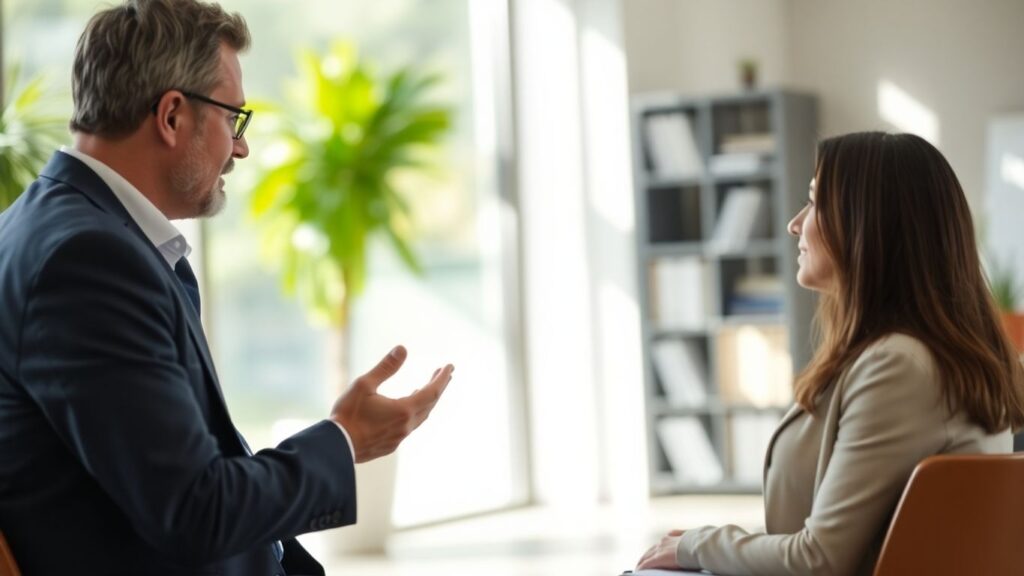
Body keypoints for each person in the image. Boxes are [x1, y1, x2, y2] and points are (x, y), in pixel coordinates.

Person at [0, 1, 452, 574]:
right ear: (171, 115)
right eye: (233, 118)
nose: (240, 147)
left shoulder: (56, 230)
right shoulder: (87, 260)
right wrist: (346, 440)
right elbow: (196, 511)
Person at [636, 131, 1024, 576]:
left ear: (868, 226)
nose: (794, 224)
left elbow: (818, 559)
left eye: (814, 202)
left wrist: (697, 544)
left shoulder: (899, 366)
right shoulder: (934, 356)